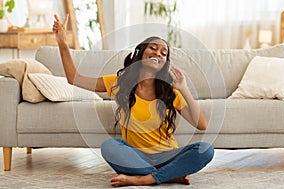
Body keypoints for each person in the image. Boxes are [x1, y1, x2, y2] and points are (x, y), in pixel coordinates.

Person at [52, 14, 214, 187]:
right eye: (153, 48)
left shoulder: (170, 92)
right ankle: (167, 176)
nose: (157, 53)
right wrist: (62, 42)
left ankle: (144, 179)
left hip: (168, 156)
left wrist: (184, 88)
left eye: (163, 52)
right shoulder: (119, 83)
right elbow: (74, 79)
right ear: (141, 53)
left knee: (205, 150)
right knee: (109, 146)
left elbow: (202, 124)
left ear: (165, 62)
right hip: (135, 157)